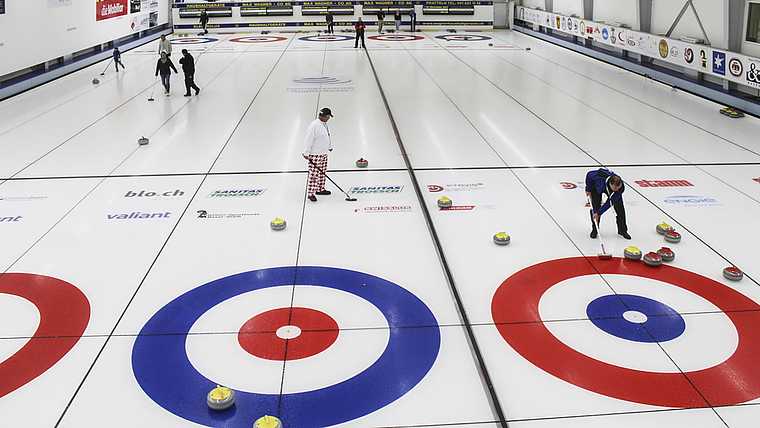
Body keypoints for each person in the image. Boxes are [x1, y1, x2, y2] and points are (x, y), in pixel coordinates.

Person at [585, 168, 631, 240]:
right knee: (595, 208)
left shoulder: (620, 189)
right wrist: (588, 189)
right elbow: (589, 175)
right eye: (615, 188)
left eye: (618, 188)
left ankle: (622, 230)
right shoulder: (598, 176)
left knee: (620, 209)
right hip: (597, 187)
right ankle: (595, 229)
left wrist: (599, 213)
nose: (617, 190)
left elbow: (610, 202)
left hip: (609, 190)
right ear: (610, 184)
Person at [302, 108, 334, 202]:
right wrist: (306, 152)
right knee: (314, 174)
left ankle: (320, 189)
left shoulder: (324, 124)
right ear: (326, 116)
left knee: (322, 172)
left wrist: (329, 146)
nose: (328, 119)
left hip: (323, 153)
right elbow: (308, 139)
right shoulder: (314, 125)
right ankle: (310, 193)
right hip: (315, 154)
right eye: (328, 117)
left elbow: (327, 136)